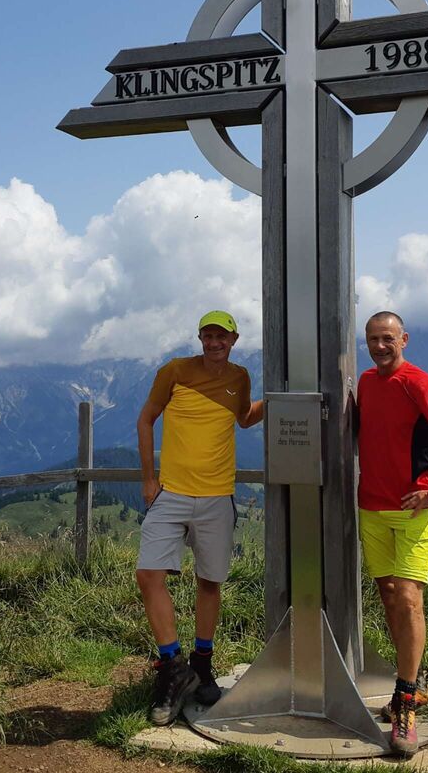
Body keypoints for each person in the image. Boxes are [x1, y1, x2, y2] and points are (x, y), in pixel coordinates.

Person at [356, 311, 428, 755]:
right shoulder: (365, 382)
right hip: (372, 508)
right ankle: (414, 682)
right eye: (373, 339)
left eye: (387, 338)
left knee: (408, 598)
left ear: (403, 339)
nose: (380, 346)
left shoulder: (419, 383)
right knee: (389, 595)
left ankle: (404, 702)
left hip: (413, 512)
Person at [135, 310, 263, 726]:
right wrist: (149, 479)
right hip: (171, 492)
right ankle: (173, 666)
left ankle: (201, 666)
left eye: (221, 336)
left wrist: (279, 401)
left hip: (217, 496)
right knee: (148, 574)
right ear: (200, 339)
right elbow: (146, 419)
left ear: (234, 339)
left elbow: (244, 418)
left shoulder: (240, 377)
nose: (214, 343)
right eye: (207, 336)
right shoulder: (175, 371)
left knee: (210, 581)